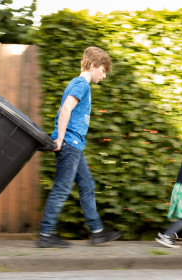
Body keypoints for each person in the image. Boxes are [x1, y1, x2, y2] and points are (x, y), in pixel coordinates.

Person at [37, 46, 121, 248]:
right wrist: (59, 140)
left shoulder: (82, 85)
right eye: (102, 70)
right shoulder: (81, 84)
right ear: (93, 66)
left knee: (87, 186)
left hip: (75, 145)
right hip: (69, 144)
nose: (104, 76)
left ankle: (97, 232)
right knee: (62, 188)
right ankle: (46, 234)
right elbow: (65, 109)